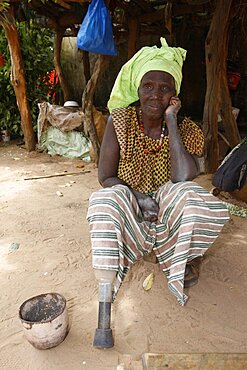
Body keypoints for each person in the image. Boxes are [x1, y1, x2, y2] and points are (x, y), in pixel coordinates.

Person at [86, 38, 229, 347]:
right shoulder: (119, 120)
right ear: (137, 89)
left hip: (166, 205)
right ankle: (105, 299)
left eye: (164, 88)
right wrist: (138, 197)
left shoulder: (186, 128)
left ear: (174, 95)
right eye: (148, 86)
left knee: (192, 197)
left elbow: (184, 176)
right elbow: (106, 176)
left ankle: (180, 256)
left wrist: (171, 121)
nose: (155, 94)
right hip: (131, 203)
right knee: (104, 200)